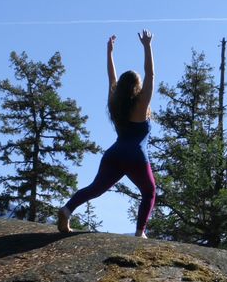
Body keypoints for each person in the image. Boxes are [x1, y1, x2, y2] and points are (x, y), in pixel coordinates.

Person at [57, 30, 156, 236]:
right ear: (137, 87)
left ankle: (67, 210)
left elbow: (111, 79)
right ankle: (140, 232)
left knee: (95, 188)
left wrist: (109, 52)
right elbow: (150, 74)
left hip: (114, 154)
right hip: (136, 155)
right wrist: (147, 46)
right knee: (149, 192)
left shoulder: (116, 103)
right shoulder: (141, 103)